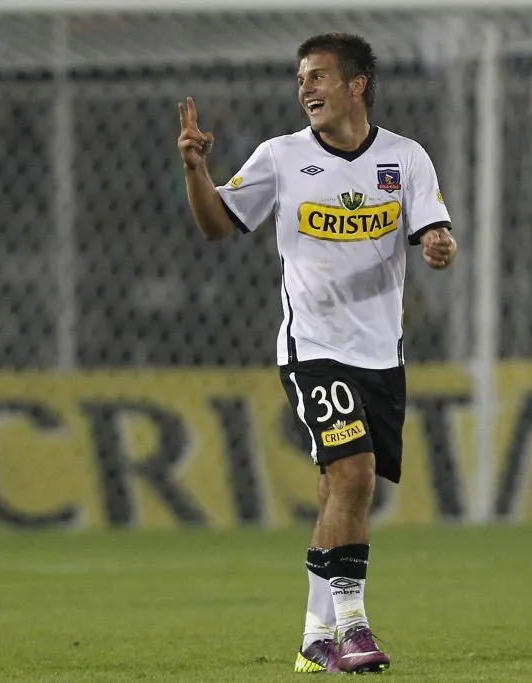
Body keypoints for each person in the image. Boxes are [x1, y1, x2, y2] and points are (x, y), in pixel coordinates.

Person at [177, 32, 457, 673]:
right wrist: (196, 170)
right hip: (313, 347)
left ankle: (313, 635)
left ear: (356, 84)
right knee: (353, 472)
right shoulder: (281, 157)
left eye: (318, 77)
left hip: (381, 353)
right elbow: (217, 225)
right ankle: (354, 628)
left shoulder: (405, 159)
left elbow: (433, 231)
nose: (305, 88)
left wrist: (441, 245)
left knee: (343, 488)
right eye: (301, 78)